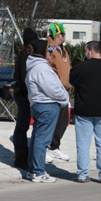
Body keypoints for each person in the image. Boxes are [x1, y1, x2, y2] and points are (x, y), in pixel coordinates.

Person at [69, 41, 101, 183]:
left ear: (91, 50)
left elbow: (71, 80)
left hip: (84, 110)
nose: (85, 53)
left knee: (83, 144)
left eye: (86, 50)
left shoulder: (81, 67)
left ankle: (82, 174)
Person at [26, 39, 70, 182]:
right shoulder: (41, 68)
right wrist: (64, 98)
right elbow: (53, 89)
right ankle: (38, 172)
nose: (51, 53)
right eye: (49, 50)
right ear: (42, 52)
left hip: (39, 105)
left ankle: (32, 169)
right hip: (46, 106)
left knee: (37, 138)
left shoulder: (35, 66)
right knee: (42, 140)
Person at [12, 28, 39, 171]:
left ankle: (24, 153)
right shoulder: (24, 59)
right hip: (23, 95)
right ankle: (19, 157)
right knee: (21, 126)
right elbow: (23, 80)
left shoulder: (28, 57)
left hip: (26, 94)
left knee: (24, 126)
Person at [46, 21, 71, 163]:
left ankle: (54, 146)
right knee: (51, 120)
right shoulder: (49, 49)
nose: (64, 36)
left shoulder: (63, 49)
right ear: (56, 34)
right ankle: (45, 147)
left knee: (63, 120)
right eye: (61, 34)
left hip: (64, 92)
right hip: (53, 91)